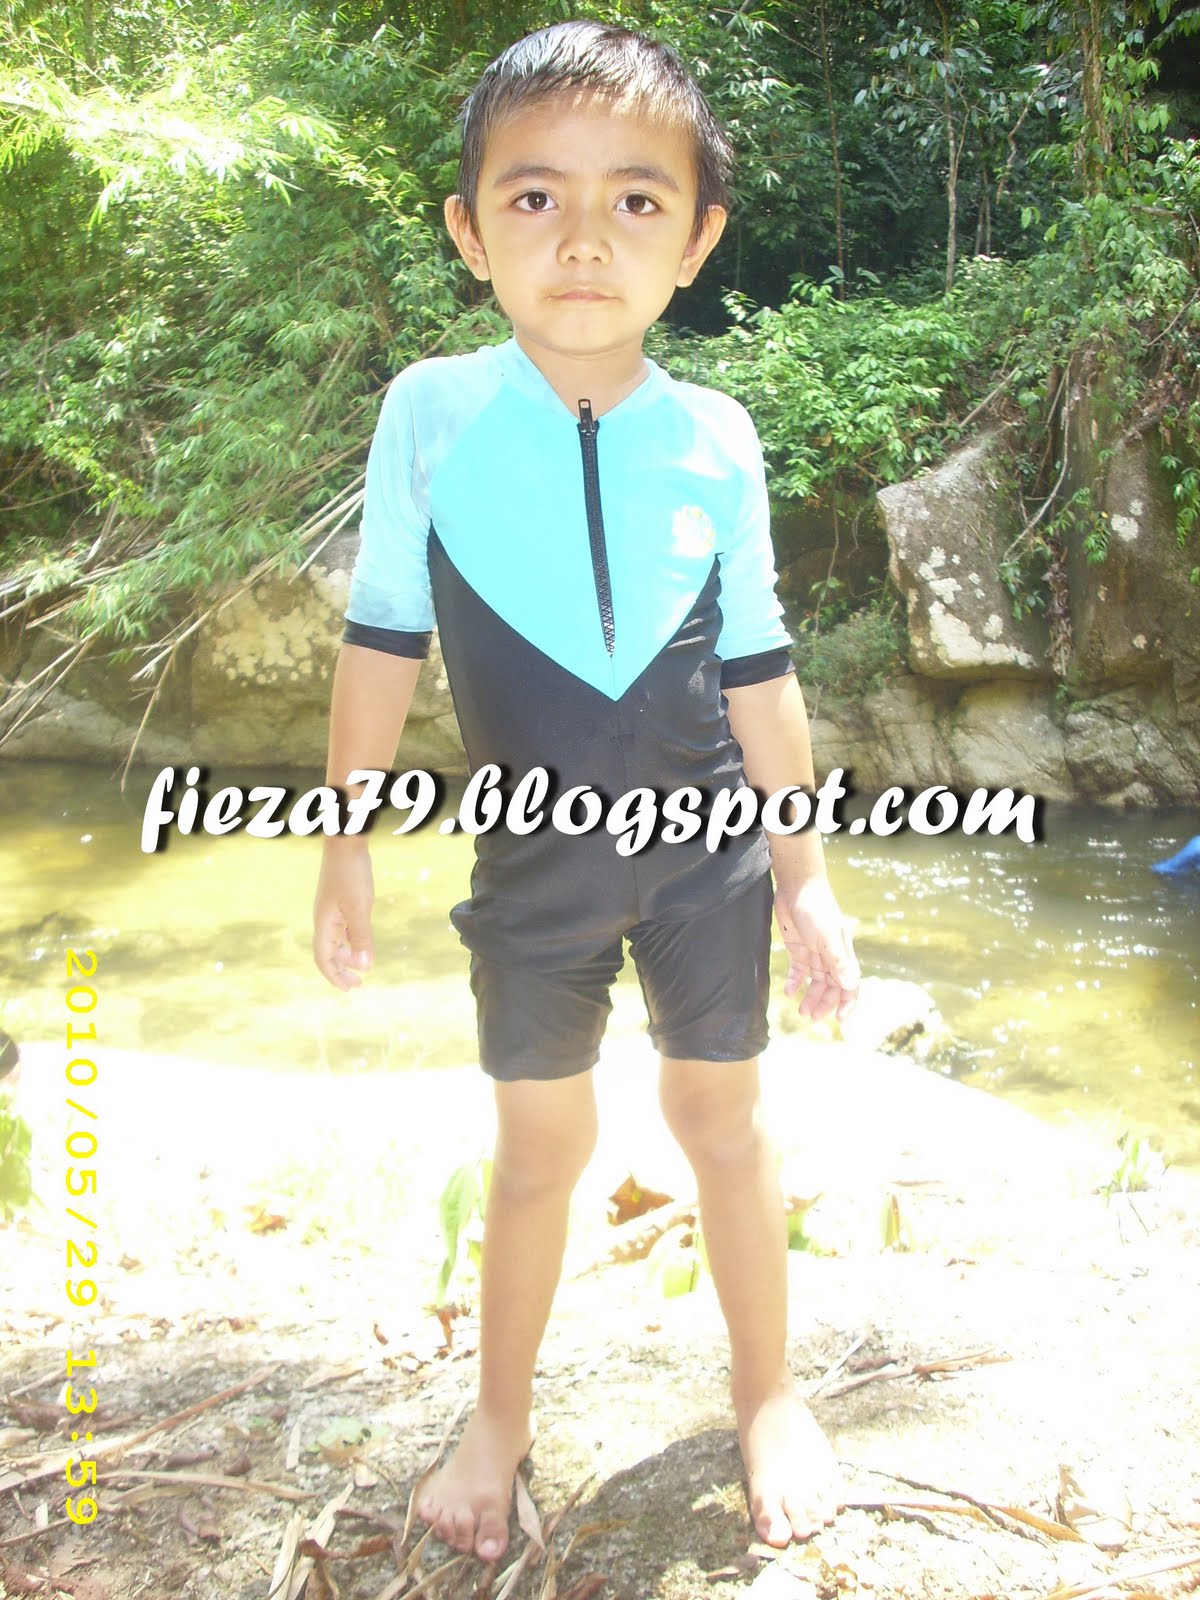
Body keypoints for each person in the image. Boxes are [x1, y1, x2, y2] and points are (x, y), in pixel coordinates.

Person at [312, 20, 860, 1564]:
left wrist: (808, 877)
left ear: (697, 241)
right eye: (535, 197)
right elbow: (381, 636)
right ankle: (499, 1418)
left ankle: (767, 1395)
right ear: (469, 229)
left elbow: (761, 668)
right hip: (533, 871)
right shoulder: (433, 412)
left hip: (706, 860)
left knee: (721, 1120)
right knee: (539, 1149)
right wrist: (342, 843)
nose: (582, 239)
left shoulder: (717, 438)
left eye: (635, 200)